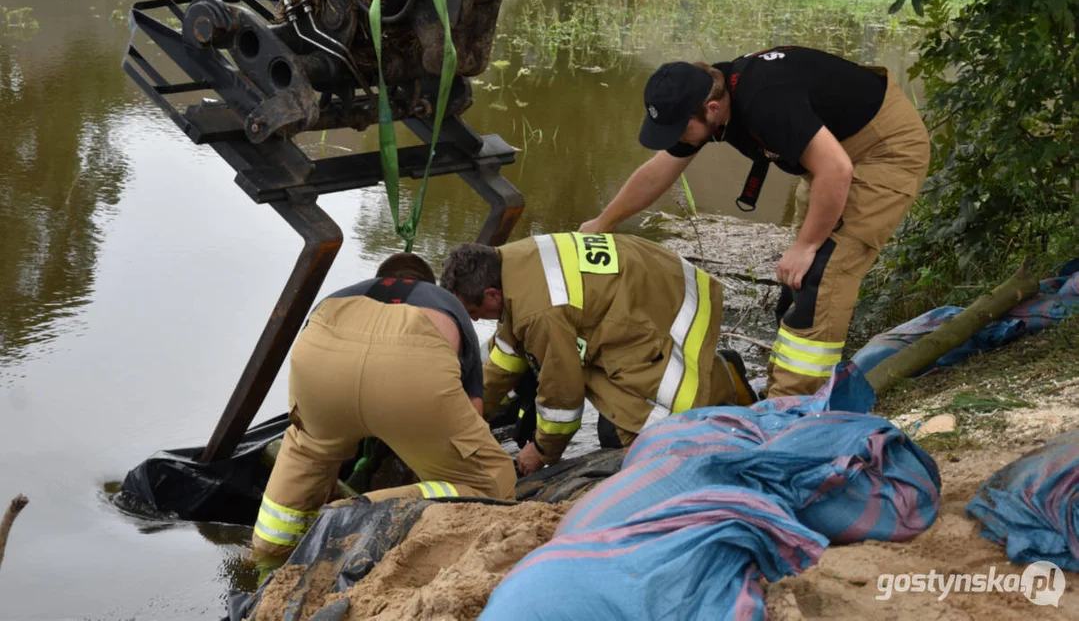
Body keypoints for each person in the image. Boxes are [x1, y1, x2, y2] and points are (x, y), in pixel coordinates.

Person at [579, 46, 930, 398]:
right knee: (798, 280)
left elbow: (837, 170)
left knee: (825, 272)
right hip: (829, 155)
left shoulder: (765, 101)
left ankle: (790, 407)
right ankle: (786, 380)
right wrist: (603, 222)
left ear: (712, 109)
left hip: (882, 151)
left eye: (678, 129)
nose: (675, 138)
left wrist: (806, 246)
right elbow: (658, 172)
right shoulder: (709, 94)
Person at [250, 252, 516, 570]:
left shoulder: (342, 295)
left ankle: (269, 552)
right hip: (409, 370)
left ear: (379, 277)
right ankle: (360, 512)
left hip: (320, 366)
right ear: (424, 283)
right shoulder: (443, 301)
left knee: (308, 453)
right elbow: (471, 409)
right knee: (492, 482)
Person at [439, 233, 755, 476]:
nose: (476, 320)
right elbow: (504, 359)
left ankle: (722, 386)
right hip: (651, 281)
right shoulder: (509, 263)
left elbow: (563, 396)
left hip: (659, 309)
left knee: (631, 432)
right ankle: (721, 372)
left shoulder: (538, 313)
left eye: (474, 311)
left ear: (492, 293)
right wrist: (472, 414)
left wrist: (541, 451)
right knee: (583, 370)